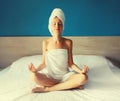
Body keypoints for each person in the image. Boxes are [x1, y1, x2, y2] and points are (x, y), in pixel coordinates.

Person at [28, 8, 89, 93]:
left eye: (60, 24)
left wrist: (81, 71)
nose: (57, 26)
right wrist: (35, 70)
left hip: (66, 76)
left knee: (84, 77)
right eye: (54, 24)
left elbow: (71, 64)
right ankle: (68, 85)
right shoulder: (45, 42)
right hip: (51, 77)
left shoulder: (68, 42)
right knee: (33, 76)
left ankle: (48, 88)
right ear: (50, 26)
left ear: (63, 26)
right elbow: (44, 63)